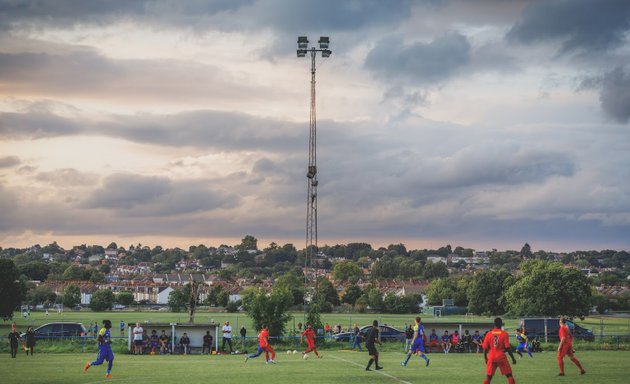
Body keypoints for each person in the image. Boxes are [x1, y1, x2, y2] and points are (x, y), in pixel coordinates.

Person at [482, 317, 517, 384]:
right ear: (501, 324)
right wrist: (513, 358)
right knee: (509, 375)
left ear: (494, 324)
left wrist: (485, 358)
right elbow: (507, 347)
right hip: (501, 356)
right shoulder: (504, 334)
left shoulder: (488, 334)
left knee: (489, 376)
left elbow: (485, 348)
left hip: (491, 356)